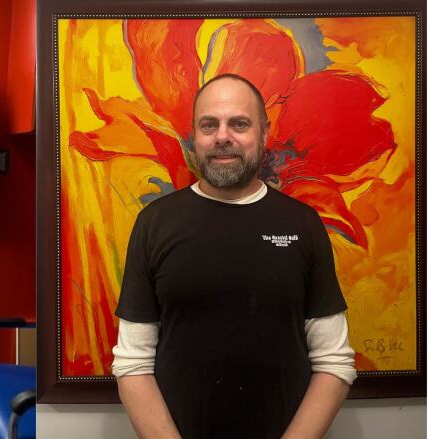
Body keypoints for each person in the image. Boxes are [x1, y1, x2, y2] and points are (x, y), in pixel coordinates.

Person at [112, 74, 356, 439]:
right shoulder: (154, 224)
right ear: (194, 134)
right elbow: (132, 363)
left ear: (264, 133)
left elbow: (334, 362)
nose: (222, 136)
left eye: (239, 124)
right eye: (209, 125)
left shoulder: (303, 224)